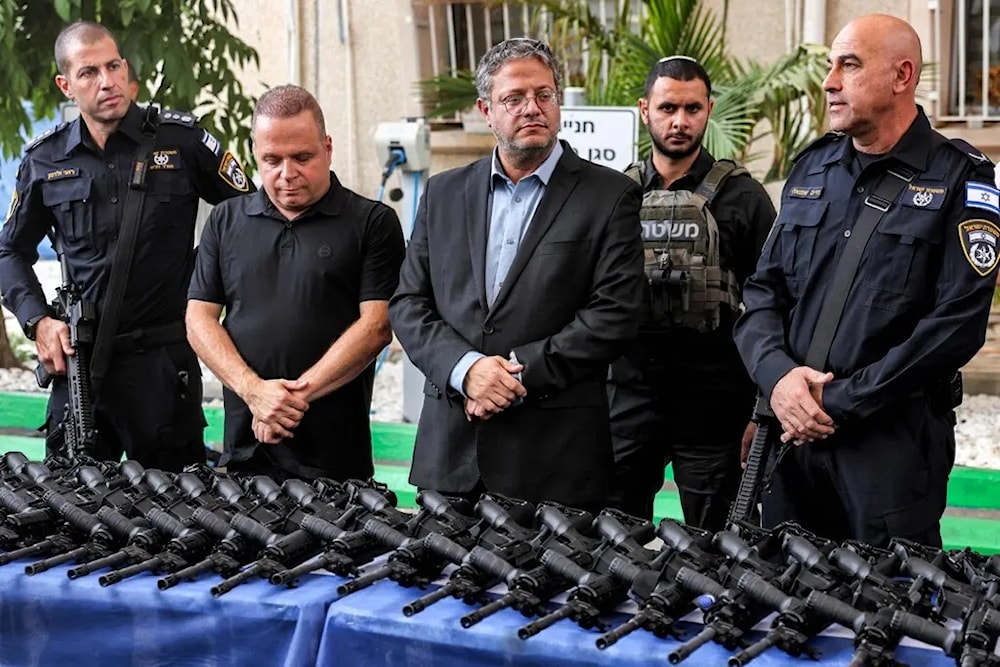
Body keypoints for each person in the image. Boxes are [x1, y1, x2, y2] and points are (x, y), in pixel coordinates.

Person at [733, 14, 1000, 547]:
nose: (829, 80)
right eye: (831, 65)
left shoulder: (959, 178)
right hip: (792, 435)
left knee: (889, 609)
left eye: (849, 65)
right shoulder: (812, 170)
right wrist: (780, 380)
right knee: (784, 602)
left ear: (902, 76)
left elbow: (955, 326)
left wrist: (840, 402)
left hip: (891, 446)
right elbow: (764, 293)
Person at [389, 38, 645, 510]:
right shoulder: (444, 194)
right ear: (487, 110)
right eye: (514, 98)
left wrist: (512, 376)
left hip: (555, 463)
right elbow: (408, 304)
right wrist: (466, 372)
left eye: (544, 95)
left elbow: (615, 315)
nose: (532, 108)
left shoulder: (609, 196)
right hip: (451, 457)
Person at [0, 21, 251, 471]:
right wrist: (37, 322)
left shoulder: (182, 142)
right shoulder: (45, 159)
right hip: (79, 366)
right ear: (66, 85)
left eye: (114, 65)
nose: (107, 81)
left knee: (176, 511)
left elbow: (251, 216)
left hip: (162, 363)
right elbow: (8, 252)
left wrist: (207, 289)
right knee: (71, 506)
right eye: (89, 72)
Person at [186, 84, 405, 482]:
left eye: (302, 157)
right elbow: (199, 319)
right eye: (272, 160)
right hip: (243, 450)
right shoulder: (226, 221)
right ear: (255, 154)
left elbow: (377, 327)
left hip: (335, 458)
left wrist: (289, 400)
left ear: (328, 148)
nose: (287, 174)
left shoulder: (371, 223)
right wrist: (253, 392)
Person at [606, 57, 776, 525]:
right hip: (629, 392)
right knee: (615, 533)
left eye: (692, 108)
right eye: (667, 108)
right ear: (644, 110)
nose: (680, 121)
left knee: (718, 541)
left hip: (714, 400)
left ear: (709, 109)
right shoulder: (615, 195)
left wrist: (763, 405)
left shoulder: (744, 197)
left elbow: (775, 302)